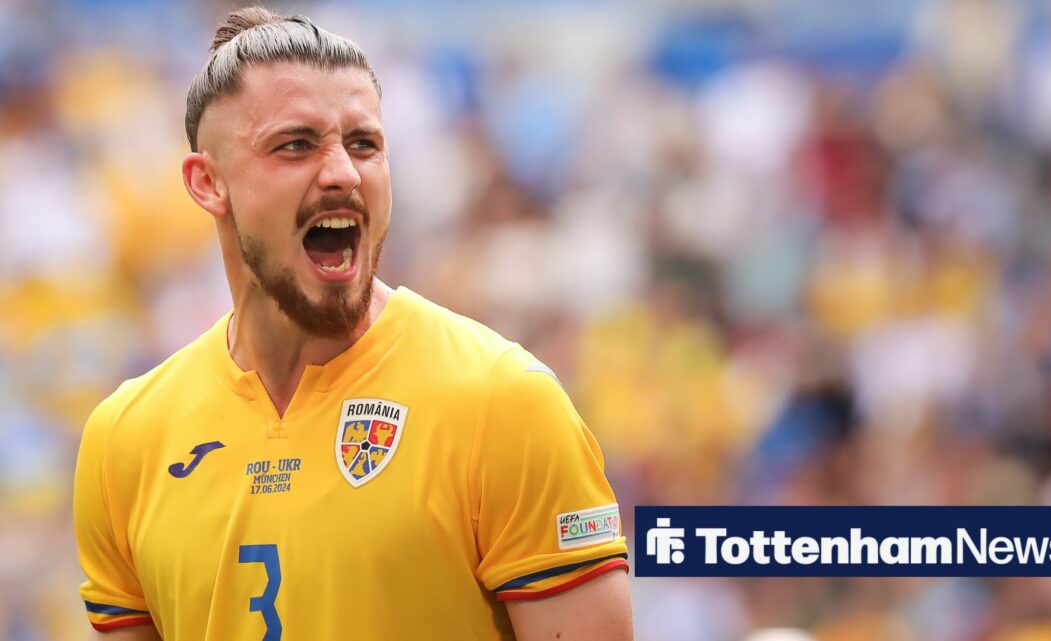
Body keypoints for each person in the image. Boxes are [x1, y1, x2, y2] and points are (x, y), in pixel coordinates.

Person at [72, 7, 632, 640]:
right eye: (296, 145)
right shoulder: (125, 439)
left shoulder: (501, 403)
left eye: (364, 143)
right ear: (208, 183)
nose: (342, 172)